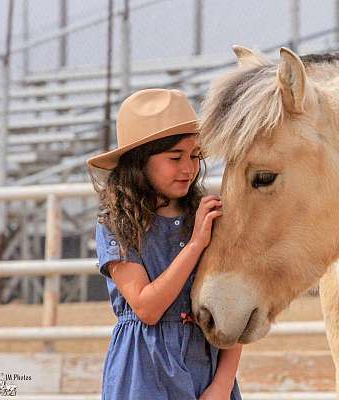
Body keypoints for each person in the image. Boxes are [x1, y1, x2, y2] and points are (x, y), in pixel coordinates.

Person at [86, 88, 242, 400]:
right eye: (175, 158)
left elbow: (232, 310)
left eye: (195, 156)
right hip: (143, 375)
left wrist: (222, 386)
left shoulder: (209, 217)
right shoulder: (118, 225)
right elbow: (147, 307)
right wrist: (196, 244)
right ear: (139, 161)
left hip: (206, 374)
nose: (189, 168)